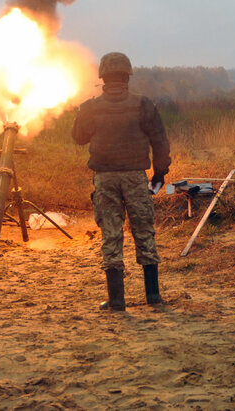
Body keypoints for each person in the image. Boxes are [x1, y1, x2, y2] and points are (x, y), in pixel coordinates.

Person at [72, 52, 171, 311]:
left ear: (102, 77)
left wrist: (80, 114)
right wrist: (159, 174)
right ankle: (153, 297)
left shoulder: (91, 106)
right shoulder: (143, 104)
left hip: (105, 178)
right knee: (144, 232)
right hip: (136, 177)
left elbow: (79, 138)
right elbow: (160, 141)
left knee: (111, 235)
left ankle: (116, 299)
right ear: (127, 76)